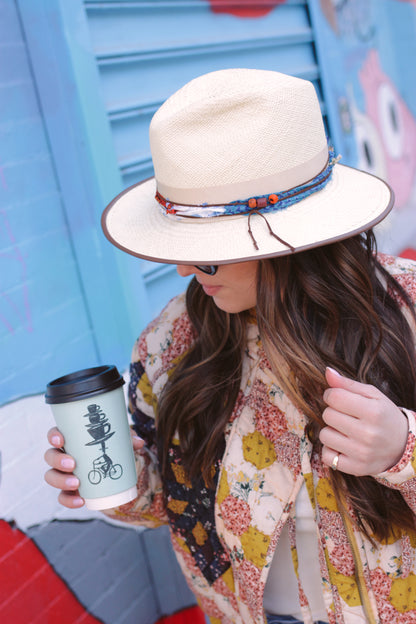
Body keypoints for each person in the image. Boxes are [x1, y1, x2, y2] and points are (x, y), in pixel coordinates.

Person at [44, 69, 416, 624]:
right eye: (180, 245)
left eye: (207, 251)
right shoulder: (172, 343)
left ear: (289, 242)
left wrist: (402, 448)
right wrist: (111, 480)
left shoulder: (405, 307)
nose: (184, 269)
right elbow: (173, 506)